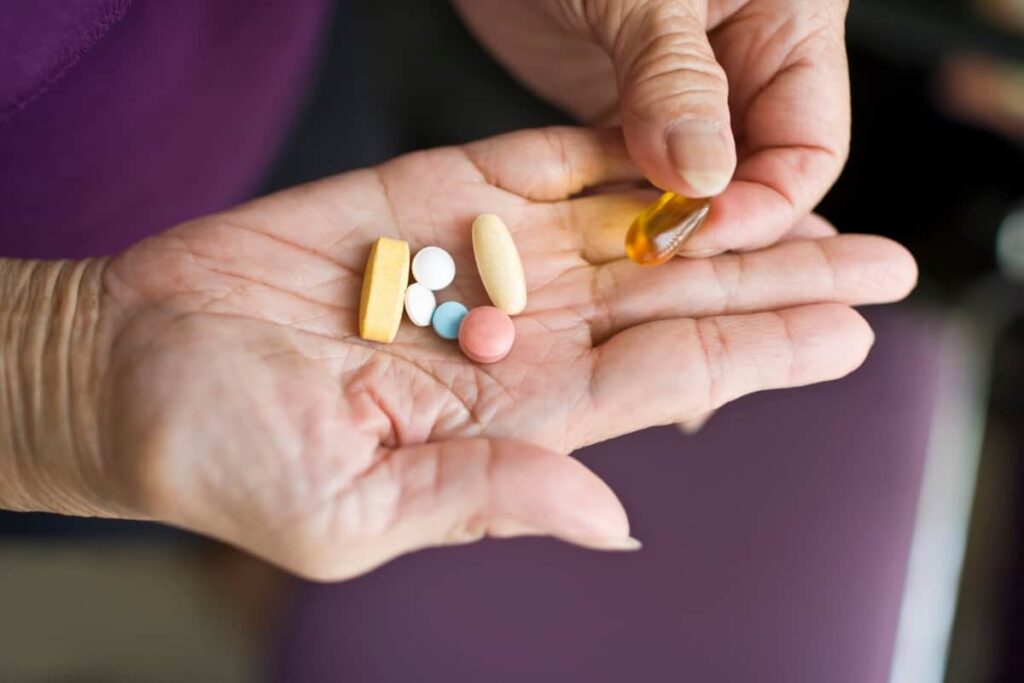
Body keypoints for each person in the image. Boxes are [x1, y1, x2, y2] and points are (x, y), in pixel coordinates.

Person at [0, 0, 914, 580]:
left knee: (233, 503)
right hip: (51, 341)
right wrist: (59, 374)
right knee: (185, 500)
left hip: (273, 95)